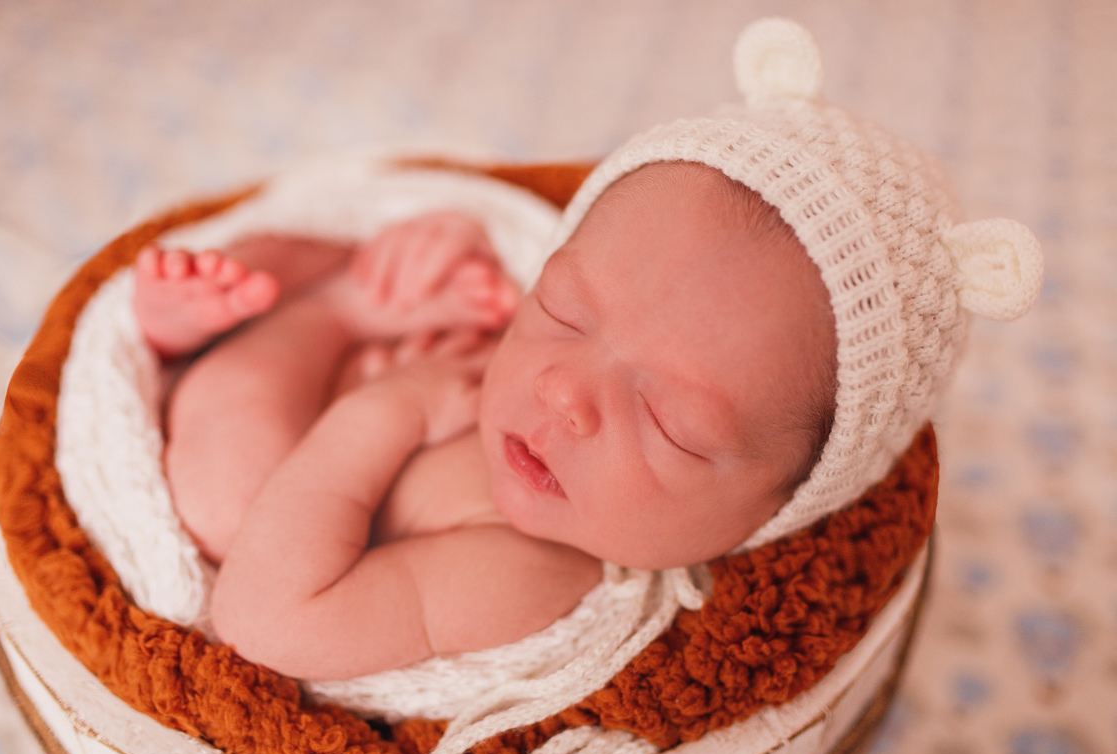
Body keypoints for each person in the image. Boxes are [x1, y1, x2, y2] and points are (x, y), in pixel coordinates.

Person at [133, 18, 1043, 686]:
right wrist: (433, 259)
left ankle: (307, 314)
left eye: (671, 426)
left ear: (777, 513)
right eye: (564, 309)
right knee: (409, 233)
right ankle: (254, 291)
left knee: (226, 498)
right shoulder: (541, 356)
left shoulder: (528, 570)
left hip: (299, 453)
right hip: (356, 350)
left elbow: (266, 613)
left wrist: (388, 407)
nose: (564, 390)